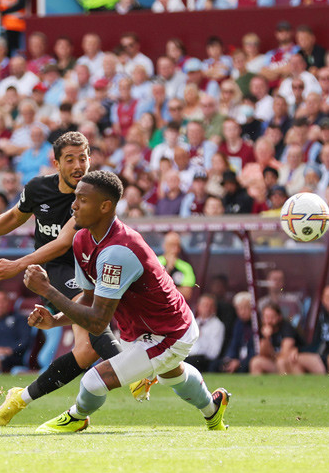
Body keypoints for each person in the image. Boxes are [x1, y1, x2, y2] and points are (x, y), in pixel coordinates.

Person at [0, 133, 138, 426]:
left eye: (83, 158)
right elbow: (14, 217)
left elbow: (65, 240)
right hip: (55, 270)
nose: (78, 165)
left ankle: (21, 398)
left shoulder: (90, 194)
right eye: (70, 159)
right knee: (92, 319)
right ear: (56, 162)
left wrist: (17, 265)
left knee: (86, 351)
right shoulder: (39, 188)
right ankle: (133, 372)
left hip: (86, 267)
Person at [22, 170, 229, 433]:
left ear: (105, 206)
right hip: (141, 331)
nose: (73, 205)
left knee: (93, 382)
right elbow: (88, 298)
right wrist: (56, 321)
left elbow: (98, 323)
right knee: (170, 374)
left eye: (82, 200)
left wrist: (49, 291)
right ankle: (212, 409)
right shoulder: (81, 238)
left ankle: (77, 417)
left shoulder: (118, 251)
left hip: (169, 332)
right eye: (75, 198)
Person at [250, 303, 325, 375]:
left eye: (272, 317)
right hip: (277, 360)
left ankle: (285, 387)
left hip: (295, 360)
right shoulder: (265, 330)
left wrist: (273, 355)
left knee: (281, 362)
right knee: (256, 362)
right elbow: (263, 354)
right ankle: (259, 386)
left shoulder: (286, 328)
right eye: (266, 317)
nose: (269, 321)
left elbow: (285, 354)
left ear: (279, 317)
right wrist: (266, 338)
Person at [185, 295, 226, 373]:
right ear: (198, 307)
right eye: (204, 305)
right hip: (189, 356)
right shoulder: (193, 323)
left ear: (214, 309)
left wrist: (201, 336)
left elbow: (214, 353)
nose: (207, 308)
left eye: (210, 306)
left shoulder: (217, 325)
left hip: (203, 359)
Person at [157, 230, 196, 301]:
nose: (174, 249)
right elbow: (152, 289)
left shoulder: (186, 267)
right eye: (171, 245)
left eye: (177, 245)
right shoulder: (156, 263)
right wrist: (168, 269)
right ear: (164, 246)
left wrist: (165, 290)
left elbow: (187, 294)